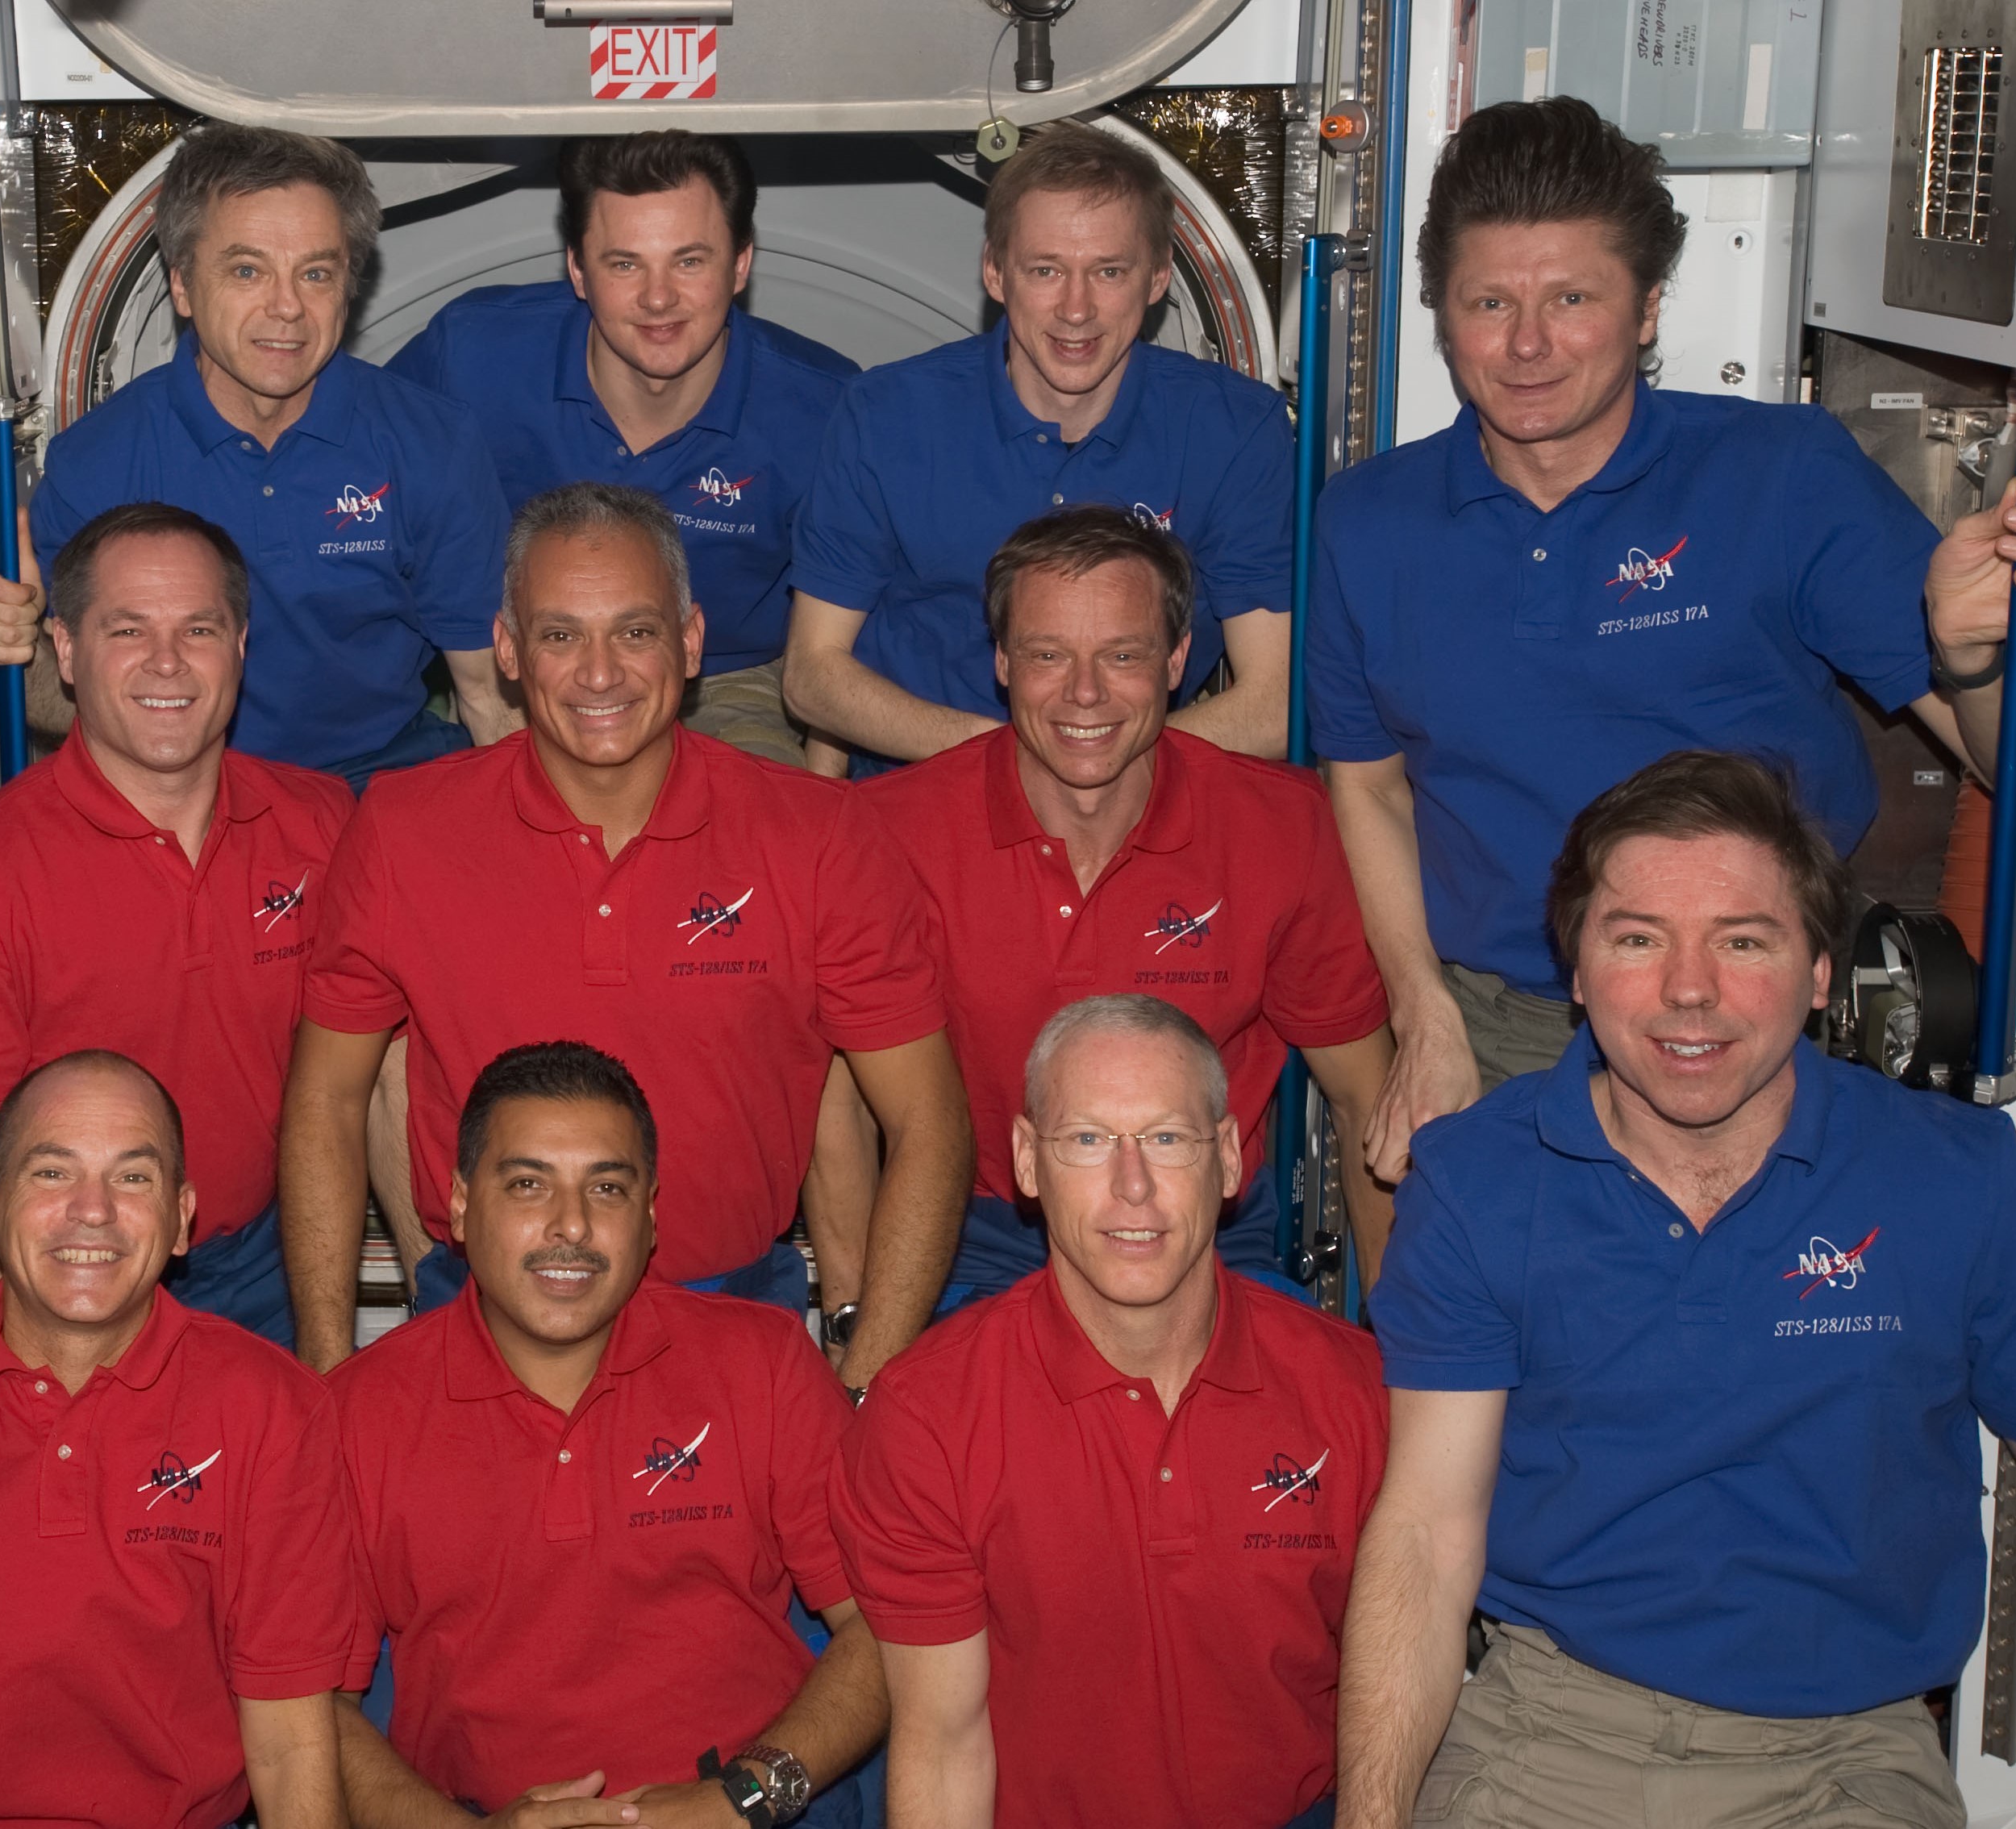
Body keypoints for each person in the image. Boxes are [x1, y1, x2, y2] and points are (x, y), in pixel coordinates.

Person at [1304, 96, 2016, 1181]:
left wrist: (1975, 662)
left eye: (1572, 298)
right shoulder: (1366, 521)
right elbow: (1370, 786)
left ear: (1648, 308)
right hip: (1501, 1035)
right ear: (1442, 311)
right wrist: (1422, 1013)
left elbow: (2004, 762)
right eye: (1490, 302)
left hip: (1759, 1024)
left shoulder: (1783, 477)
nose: (1527, 345)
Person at [1337, 751, 2016, 1829]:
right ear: (1576, 970)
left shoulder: (1964, 1183)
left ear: (1820, 972)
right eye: (1637, 939)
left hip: (1846, 1763)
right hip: (1545, 1738)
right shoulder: (1476, 1182)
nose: (1690, 989)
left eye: (1743, 941)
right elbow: (1425, 1535)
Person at [281, 483, 970, 1389]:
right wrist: (331, 1373)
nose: (599, 674)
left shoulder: (817, 835)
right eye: (560, 635)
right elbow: (327, 1101)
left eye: (635, 632)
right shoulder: (403, 828)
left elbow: (929, 1120)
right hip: (477, 1329)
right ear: (508, 650)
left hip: (735, 1327)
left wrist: (865, 1373)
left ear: (690, 643)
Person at [832, 994, 1385, 1829]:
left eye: (1166, 1139)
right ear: (1026, 1160)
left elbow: (1392, 1697)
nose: (1133, 1188)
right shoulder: (926, 1415)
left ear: (1230, 1159)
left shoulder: (1355, 1392)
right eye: (1087, 1141)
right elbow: (942, 1746)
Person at [332, 1042, 884, 1827]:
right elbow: (309, 1702)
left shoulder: (760, 1362)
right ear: (458, 1203)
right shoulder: (355, 1411)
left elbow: (889, 1625)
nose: (571, 1226)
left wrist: (740, 1801)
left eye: (607, 1188)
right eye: (528, 1185)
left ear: (650, 1213)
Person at [859, 507, 1397, 1302]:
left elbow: (1363, 1101)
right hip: (979, 1228)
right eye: (1048, 654)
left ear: (1177, 658)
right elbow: (842, 1109)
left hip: (1204, 1222)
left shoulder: (1279, 827)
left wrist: (1405, 1352)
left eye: (1122, 655)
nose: (1084, 693)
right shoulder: (889, 832)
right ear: (1001, 660)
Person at [0, 503, 352, 1346]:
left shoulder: (321, 828)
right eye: (127, 630)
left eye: (199, 629)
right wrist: (32, 1372)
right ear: (64, 649)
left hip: (258, 1269)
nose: (167, 663)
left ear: (241, 645)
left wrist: (327, 1354)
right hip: (55, 1276)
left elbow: (365, 1085)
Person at [0, 124, 516, 789]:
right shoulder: (101, 462)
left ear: (349, 287)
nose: (286, 308)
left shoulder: (430, 444)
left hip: (376, 777)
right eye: (247, 271)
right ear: (184, 287)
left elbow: (488, 696)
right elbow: (60, 709)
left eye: (315, 273)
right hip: (181, 786)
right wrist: (19, 654)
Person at [0, 1050, 352, 1828]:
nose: (93, 1210)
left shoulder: (272, 1408)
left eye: (133, 1178)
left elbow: (289, 1742)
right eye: (50, 1173)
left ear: (181, 1219)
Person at [785, 122, 1293, 770]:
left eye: (1108, 271)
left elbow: (1273, 701)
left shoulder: (1235, 432)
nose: (1074, 309)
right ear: (996, 273)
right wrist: (1016, 765)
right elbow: (813, 674)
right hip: (918, 786)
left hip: (1141, 790)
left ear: (1158, 278)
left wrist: (1101, 771)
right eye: (1045, 270)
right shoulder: (886, 415)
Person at [386, 130, 859, 767]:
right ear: (578, 270)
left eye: (689, 261)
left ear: (741, 264)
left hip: (722, 684)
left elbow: (844, 630)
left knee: (763, 842)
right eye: (624, 263)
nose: (657, 298)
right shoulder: (472, 356)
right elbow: (363, 482)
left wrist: (821, 788)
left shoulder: (823, 409)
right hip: (530, 672)